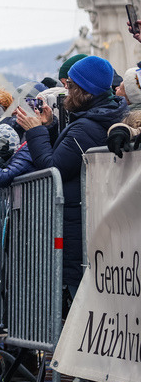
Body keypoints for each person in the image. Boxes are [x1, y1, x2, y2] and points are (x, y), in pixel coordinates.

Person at [16, 55, 127, 300]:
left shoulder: (87, 127)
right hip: (88, 224)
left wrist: (35, 132)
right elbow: (66, 154)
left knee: (83, 302)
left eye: (69, 88)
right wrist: (51, 126)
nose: (65, 95)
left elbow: (53, 167)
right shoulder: (98, 118)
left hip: (81, 229)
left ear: (84, 91)